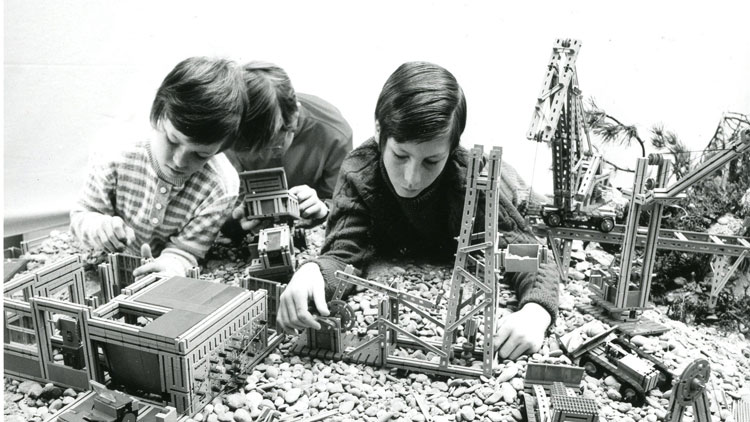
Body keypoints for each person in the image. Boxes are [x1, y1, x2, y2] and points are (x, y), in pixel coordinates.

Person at [277, 61, 560, 360]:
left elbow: (527, 251)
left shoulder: (470, 181)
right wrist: (314, 271)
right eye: (400, 155)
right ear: (378, 130)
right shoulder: (360, 172)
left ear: (452, 148)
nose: (411, 179)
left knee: (528, 197)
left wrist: (536, 311)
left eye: (431, 161)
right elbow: (343, 252)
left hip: (509, 186)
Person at [70, 57, 246, 277]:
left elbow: (187, 250)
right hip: (107, 264)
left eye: (201, 155)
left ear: (221, 148)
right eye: (172, 140)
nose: (179, 161)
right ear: (157, 115)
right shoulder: (113, 149)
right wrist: (99, 227)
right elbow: (83, 215)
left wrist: (171, 266)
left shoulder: (221, 186)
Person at [222, 61, 353, 236]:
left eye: (273, 147)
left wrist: (323, 209)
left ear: (294, 116)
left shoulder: (334, 134)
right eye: (250, 150)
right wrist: (233, 220)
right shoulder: (228, 128)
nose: (264, 158)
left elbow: (345, 204)